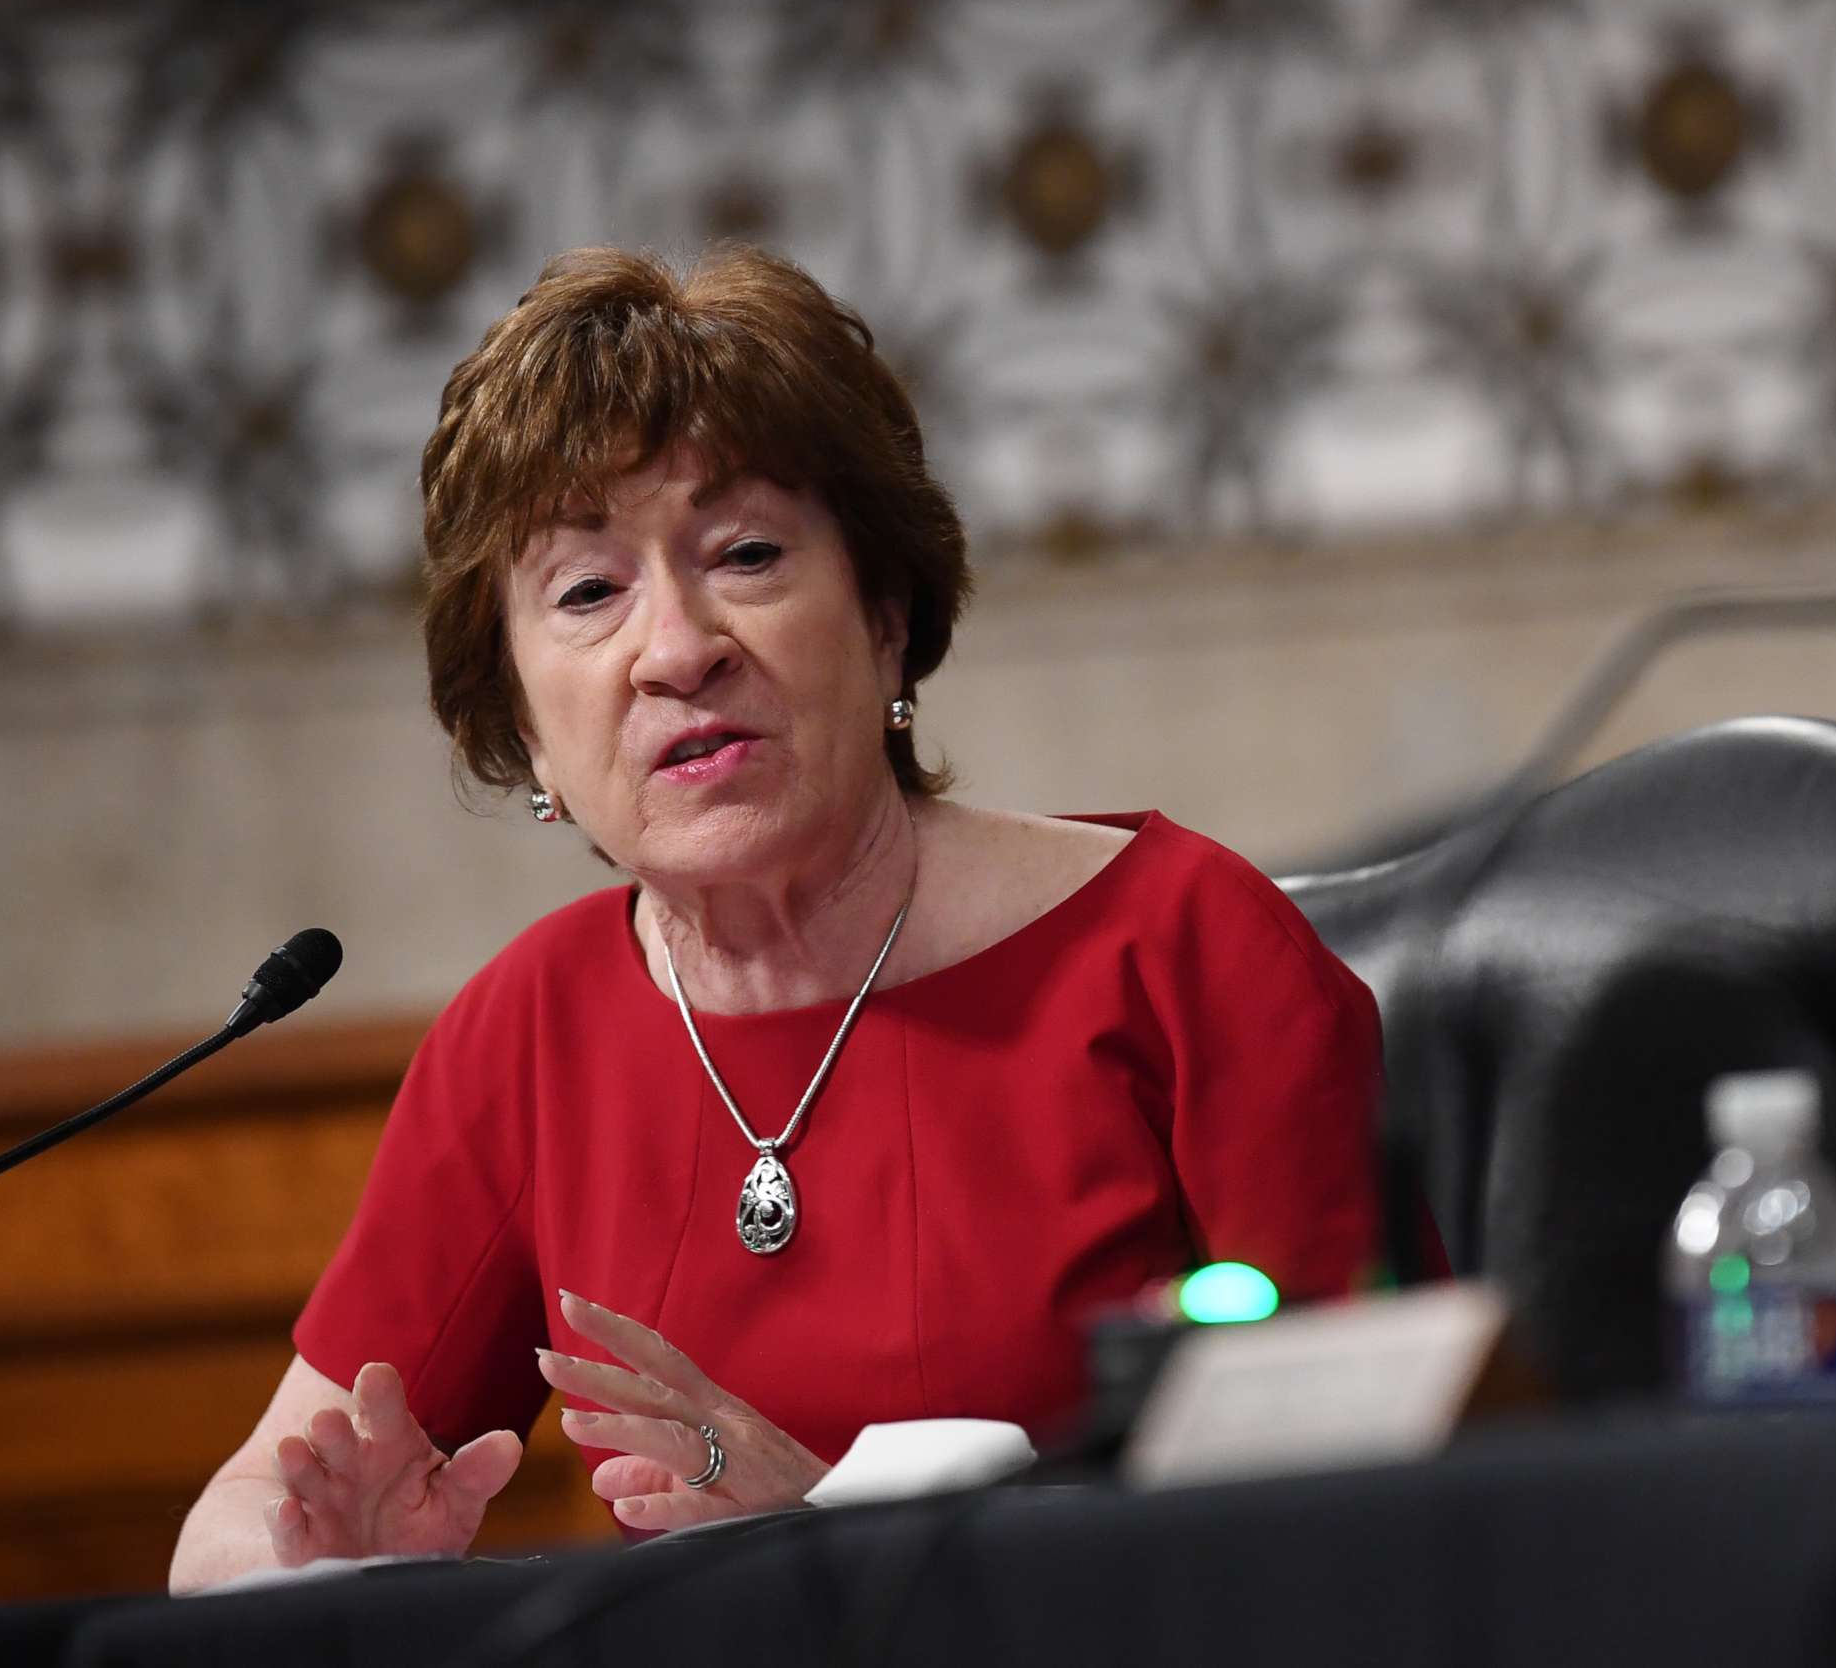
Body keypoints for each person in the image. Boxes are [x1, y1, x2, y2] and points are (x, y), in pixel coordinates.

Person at [169, 245, 1394, 1591]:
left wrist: (842, 1547)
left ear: (884, 617)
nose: (677, 647)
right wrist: (333, 1575)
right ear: (521, 720)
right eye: (588, 591)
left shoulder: (1183, 951)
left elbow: (1361, 1526)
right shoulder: (530, 1035)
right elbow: (235, 1533)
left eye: (745, 554)